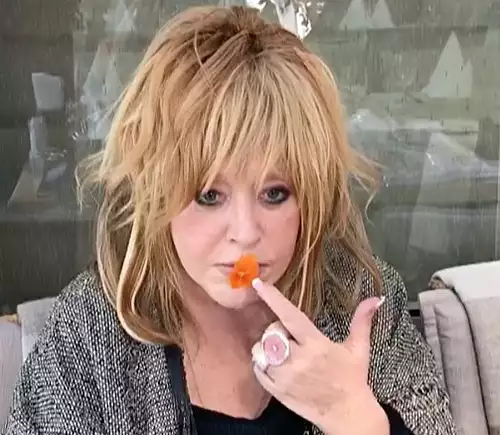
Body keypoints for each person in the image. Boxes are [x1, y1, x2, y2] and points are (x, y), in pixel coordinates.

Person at [3, 5, 456, 435]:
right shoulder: (89, 333)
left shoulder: (361, 304)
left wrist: (355, 417)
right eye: (209, 196)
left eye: (275, 194)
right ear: (156, 191)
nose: (245, 233)